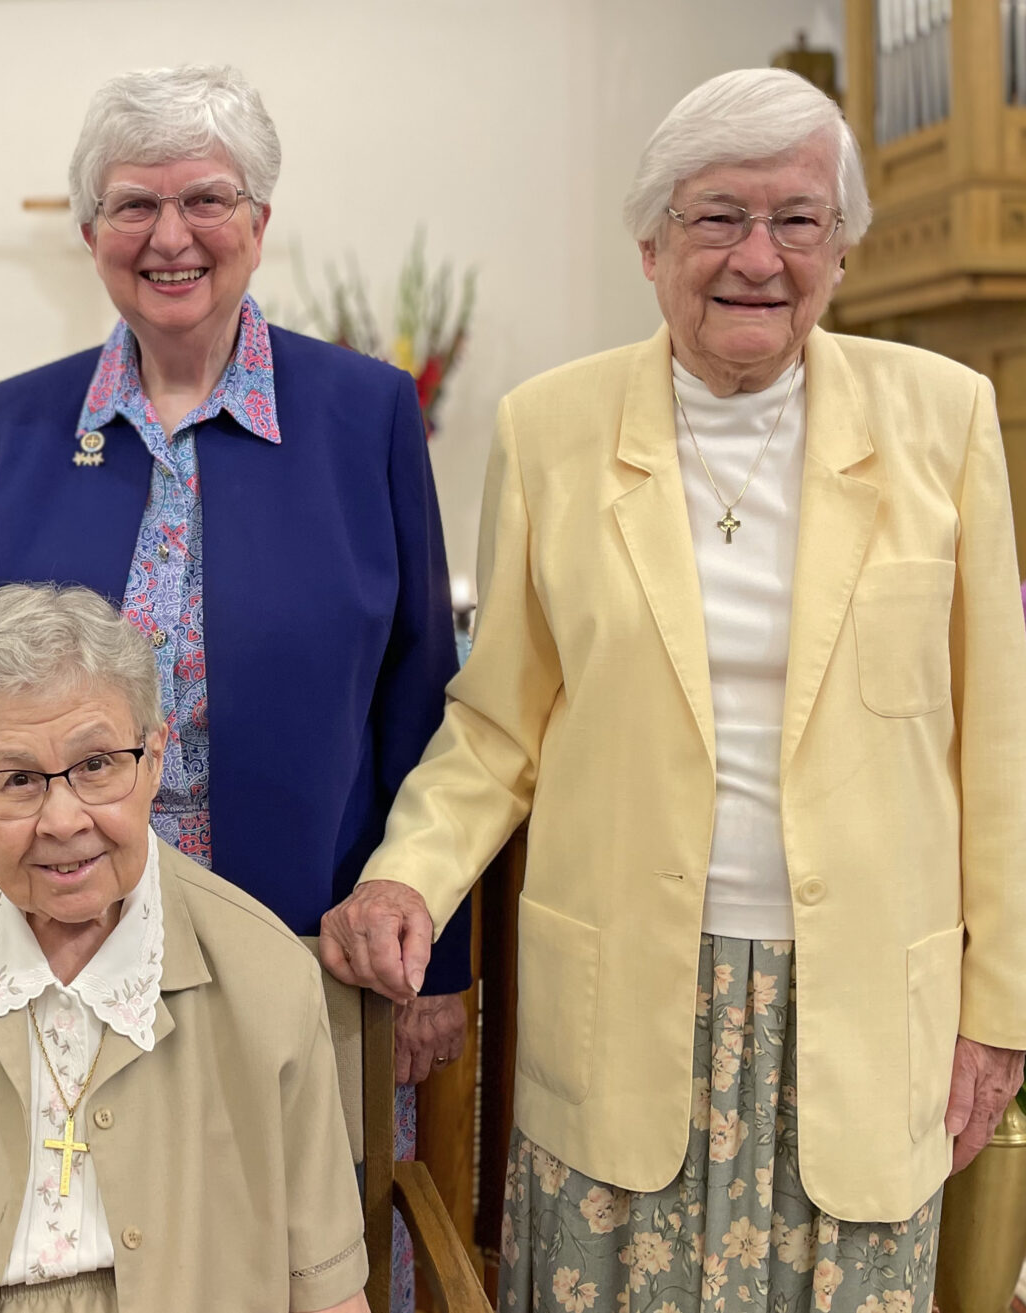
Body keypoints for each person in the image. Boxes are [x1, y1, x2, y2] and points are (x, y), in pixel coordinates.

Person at [323, 68, 1026, 1313]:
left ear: (844, 249)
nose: (759, 255)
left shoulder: (946, 418)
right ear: (651, 245)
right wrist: (405, 875)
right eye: (717, 217)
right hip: (630, 1003)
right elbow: (497, 724)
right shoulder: (553, 428)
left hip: (864, 1011)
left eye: (798, 219)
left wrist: (999, 1009)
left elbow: (999, 744)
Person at [0, 67, 470, 1300]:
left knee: (298, 1251)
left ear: (260, 223)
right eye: (133, 206)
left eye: (207, 200)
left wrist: (434, 965)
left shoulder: (365, 413)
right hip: (63, 949)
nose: (170, 236)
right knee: (98, 1246)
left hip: (307, 955)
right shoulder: (15, 426)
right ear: (89, 235)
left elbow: (422, 702)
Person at [0, 583, 368, 1313]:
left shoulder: (267, 971)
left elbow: (330, 1298)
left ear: (154, 757)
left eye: (97, 764)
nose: (62, 817)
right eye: (17, 779)